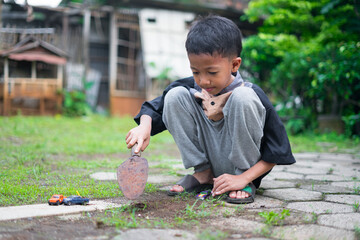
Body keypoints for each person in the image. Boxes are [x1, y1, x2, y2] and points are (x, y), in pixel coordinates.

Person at [126, 15, 295, 204]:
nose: (203, 81)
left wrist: (245, 178)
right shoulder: (197, 87)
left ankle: (241, 180)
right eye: (196, 72)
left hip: (245, 170)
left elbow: (277, 150)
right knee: (175, 95)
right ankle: (203, 173)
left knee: (242, 98)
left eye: (212, 72)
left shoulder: (250, 93)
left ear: (234, 64)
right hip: (210, 160)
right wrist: (144, 126)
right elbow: (156, 106)